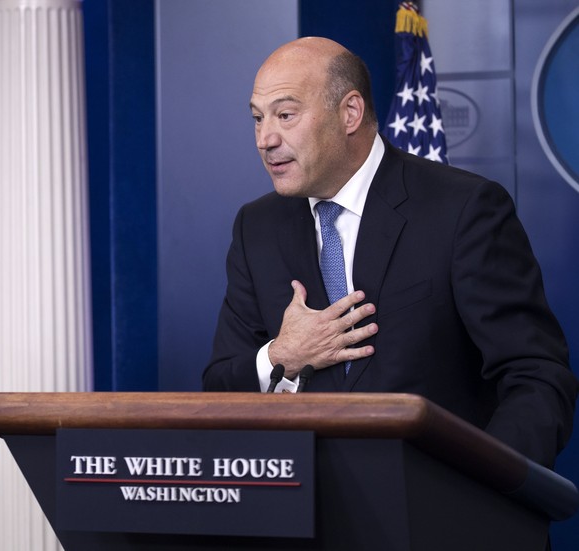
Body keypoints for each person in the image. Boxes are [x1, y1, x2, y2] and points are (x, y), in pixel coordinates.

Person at [202, 36, 578, 469]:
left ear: (350, 113)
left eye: (285, 115)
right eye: (257, 118)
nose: (265, 139)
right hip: (307, 521)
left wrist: (485, 492)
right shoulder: (257, 228)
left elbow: (536, 376)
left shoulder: (463, 209)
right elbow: (219, 388)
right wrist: (282, 356)